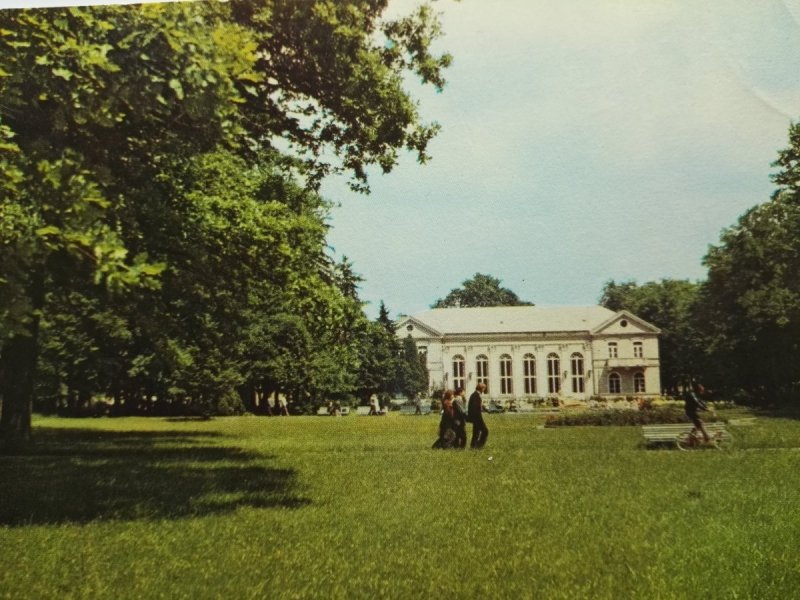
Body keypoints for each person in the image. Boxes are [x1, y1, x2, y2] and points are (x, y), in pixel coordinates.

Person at [468, 382, 489, 449]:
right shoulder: (476, 395)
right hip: (477, 417)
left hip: (475, 417)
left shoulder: (475, 395)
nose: (484, 390)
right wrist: (478, 418)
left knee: (476, 432)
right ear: (482, 388)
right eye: (484, 388)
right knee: (485, 431)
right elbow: (475, 408)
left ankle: (473, 446)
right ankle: (479, 446)